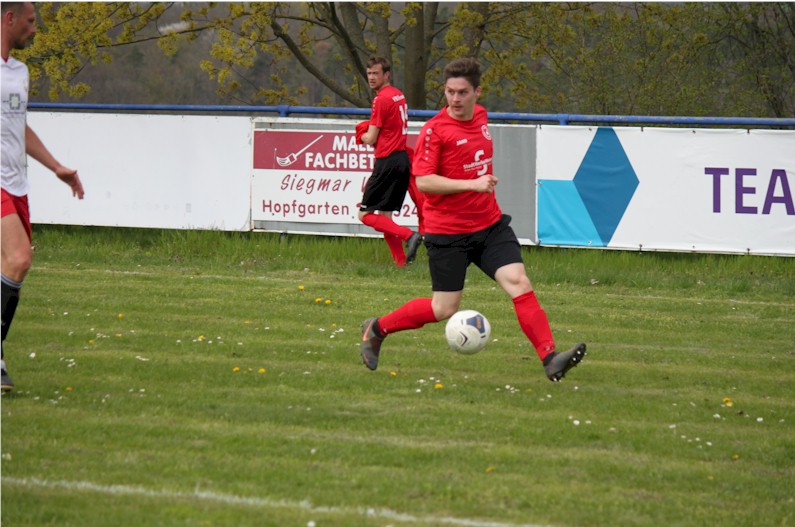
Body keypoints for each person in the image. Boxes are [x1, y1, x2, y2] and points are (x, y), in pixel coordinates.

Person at [359, 58, 586, 382]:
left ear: (477, 92)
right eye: (450, 92)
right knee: (443, 309)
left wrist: (477, 185)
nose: (455, 99)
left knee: (519, 283)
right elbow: (423, 182)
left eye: (462, 92)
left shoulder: (480, 116)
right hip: (447, 233)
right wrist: (471, 184)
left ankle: (550, 358)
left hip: (489, 226)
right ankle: (376, 329)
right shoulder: (435, 130)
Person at [1, 2, 85, 392]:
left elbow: (20, 127)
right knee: (19, 259)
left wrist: (56, 167)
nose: (36, 29)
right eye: (31, 21)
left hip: (18, 183)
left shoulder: (19, 72)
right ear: (9, 18)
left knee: (14, 267)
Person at [356, 56, 422, 267]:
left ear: (387, 75)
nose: (372, 77)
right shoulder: (398, 95)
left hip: (387, 160)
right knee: (385, 217)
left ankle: (409, 236)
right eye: (369, 74)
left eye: (376, 73)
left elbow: (372, 137)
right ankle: (401, 263)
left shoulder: (381, 99)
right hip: (401, 159)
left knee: (364, 215)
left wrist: (362, 135)